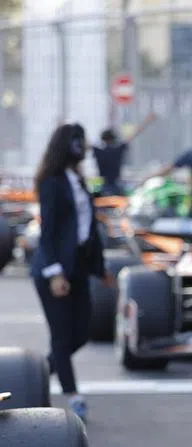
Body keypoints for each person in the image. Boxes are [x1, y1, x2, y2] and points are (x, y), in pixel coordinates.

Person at [27, 123, 108, 422]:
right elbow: (47, 233)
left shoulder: (78, 180)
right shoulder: (51, 181)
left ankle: (32, 375)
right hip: (54, 271)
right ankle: (74, 397)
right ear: (69, 145)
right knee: (62, 337)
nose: (85, 147)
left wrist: (99, 268)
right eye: (80, 142)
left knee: (82, 333)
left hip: (79, 269)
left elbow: (87, 229)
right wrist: (55, 273)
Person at [93, 111, 156, 197]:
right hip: (116, 186)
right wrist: (147, 121)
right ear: (114, 139)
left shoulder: (98, 152)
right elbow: (133, 135)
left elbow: (85, 143)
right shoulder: (117, 150)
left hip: (104, 186)